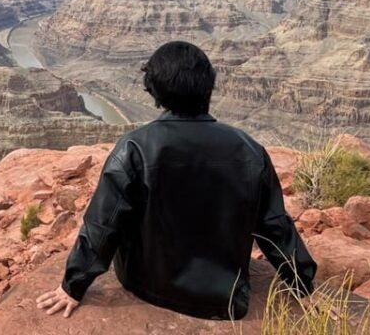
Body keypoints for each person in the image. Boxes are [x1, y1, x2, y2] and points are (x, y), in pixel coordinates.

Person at [36, 41, 316, 320]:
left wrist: (73, 286)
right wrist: (303, 284)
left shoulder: (135, 148)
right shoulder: (251, 150)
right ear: (208, 86)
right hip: (224, 297)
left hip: (147, 284)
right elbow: (274, 226)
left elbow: (103, 224)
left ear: (154, 91)